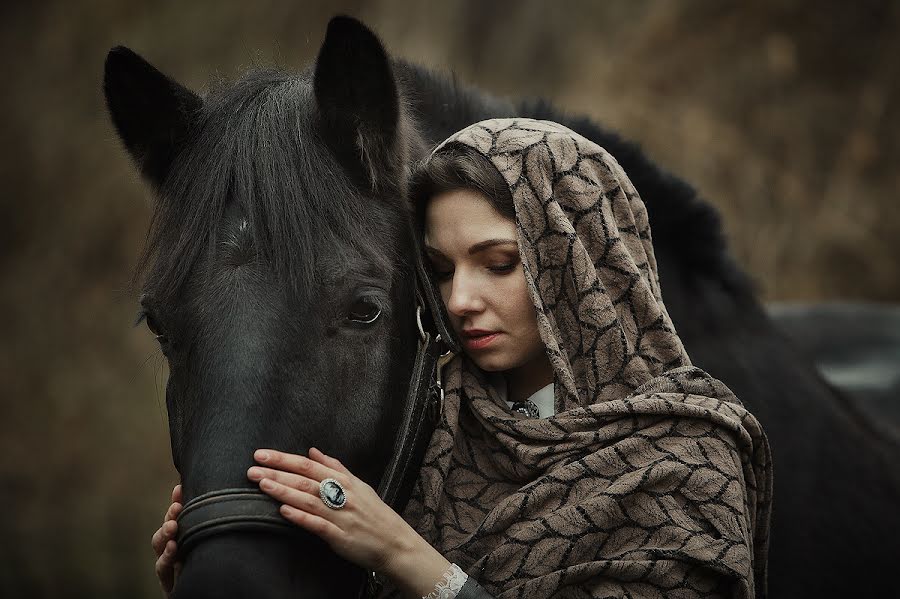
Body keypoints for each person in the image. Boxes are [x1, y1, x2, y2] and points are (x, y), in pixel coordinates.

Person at [152, 119, 772, 598]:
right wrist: (229, 566)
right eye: (441, 270)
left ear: (579, 263)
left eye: (498, 264)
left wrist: (414, 564)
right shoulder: (429, 441)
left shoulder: (685, 465)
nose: (460, 299)